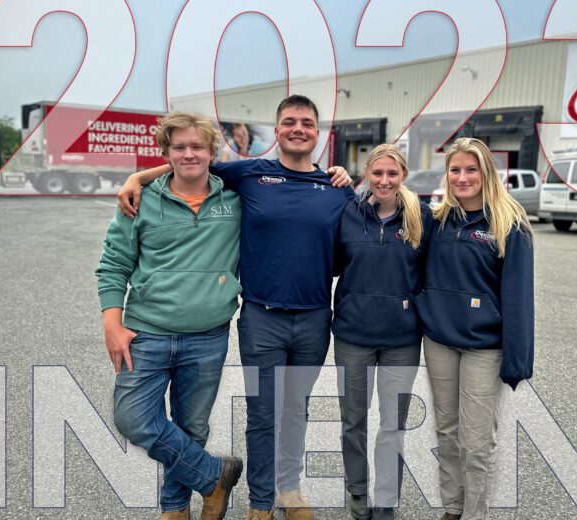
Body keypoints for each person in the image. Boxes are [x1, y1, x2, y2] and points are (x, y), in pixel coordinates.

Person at [117, 95, 353, 520]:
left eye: (307, 123)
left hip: (316, 318)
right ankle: (260, 502)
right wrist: (138, 176)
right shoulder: (252, 174)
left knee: (294, 408)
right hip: (262, 317)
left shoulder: (337, 188)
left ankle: (290, 492)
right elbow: (191, 164)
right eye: (288, 122)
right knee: (263, 413)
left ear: (319, 133)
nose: (298, 128)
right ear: (277, 130)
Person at [96, 112, 245, 520]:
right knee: (132, 418)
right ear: (166, 153)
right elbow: (113, 265)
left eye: (197, 146)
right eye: (178, 147)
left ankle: (174, 510)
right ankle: (215, 476)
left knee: (191, 428)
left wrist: (336, 173)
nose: (188, 154)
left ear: (212, 151)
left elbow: (282, 175)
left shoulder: (235, 198)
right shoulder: (140, 200)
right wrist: (113, 323)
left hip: (208, 335)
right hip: (146, 333)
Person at [416, 138, 535, 520]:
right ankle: (452, 508)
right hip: (440, 343)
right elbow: (386, 199)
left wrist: (517, 360)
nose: (462, 177)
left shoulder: (509, 224)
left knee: (477, 440)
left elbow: (518, 299)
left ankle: (475, 513)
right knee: (447, 433)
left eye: (471, 170)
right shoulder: (435, 221)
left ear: (486, 174)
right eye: (455, 170)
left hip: (484, 347)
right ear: (446, 174)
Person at [332, 144, 431, 520]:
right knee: (353, 421)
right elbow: (335, 263)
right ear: (367, 175)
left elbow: (432, 271)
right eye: (378, 173)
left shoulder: (421, 216)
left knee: (393, 424)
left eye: (392, 174)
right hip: (352, 334)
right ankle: (357, 492)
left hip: (402, 339)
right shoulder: (350, 213)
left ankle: (387, 498)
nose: (385, 180)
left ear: (402, 175)